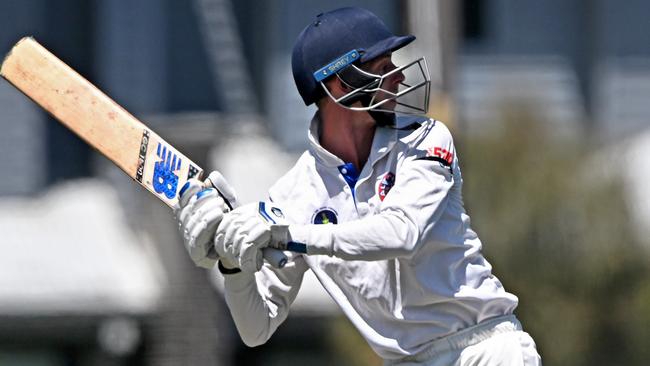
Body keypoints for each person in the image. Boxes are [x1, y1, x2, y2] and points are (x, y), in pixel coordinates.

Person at [176, 6, 542, 366]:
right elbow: (257, 328)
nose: (398, 76)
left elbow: (401, 233)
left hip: (485, 349)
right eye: (382, 68)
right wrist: (233, 264)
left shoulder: (425, 140)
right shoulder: (292, 197)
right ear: (339, 84)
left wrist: (285, 235)